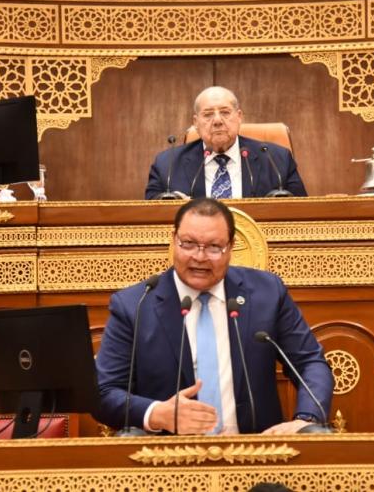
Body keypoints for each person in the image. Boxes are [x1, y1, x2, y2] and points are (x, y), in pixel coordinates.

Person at [94, 198, 333, 434]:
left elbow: (310, 363)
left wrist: (305, 419)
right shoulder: (134, 305)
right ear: (173, 240)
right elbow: (104, 392)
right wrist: (156, 414)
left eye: (214, 247)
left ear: (230, 246)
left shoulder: (267, 293)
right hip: (166, 453)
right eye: (188, 244)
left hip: (257, 450)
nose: (200, 257)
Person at [145, 86, 307, 200]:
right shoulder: (167, 165)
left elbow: (301, 214)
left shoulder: (277, 161)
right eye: (208, 114)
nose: (217, 121)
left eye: (225, 112)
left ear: (239, 117)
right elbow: (151, 220)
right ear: (196, 122)